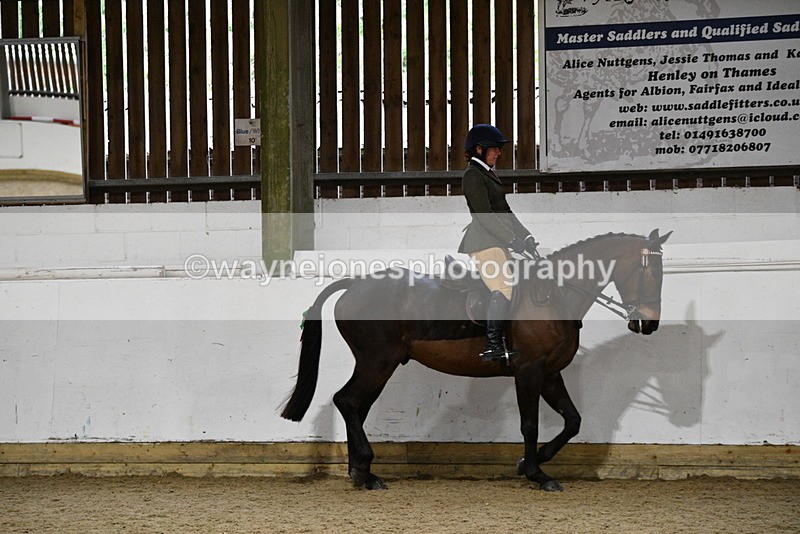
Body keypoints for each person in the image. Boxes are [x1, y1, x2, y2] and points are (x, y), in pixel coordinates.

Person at [458, 124, 539, 361]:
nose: (499, 153)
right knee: (503, 287)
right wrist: (512, 239)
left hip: (497, 240)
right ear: (479, 149)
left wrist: (525, 236)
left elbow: (505, 211)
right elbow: (484, 215)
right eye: (494, 149)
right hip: (483, 241)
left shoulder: (489, 173)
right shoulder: (473, 175)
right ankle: (492, 344)